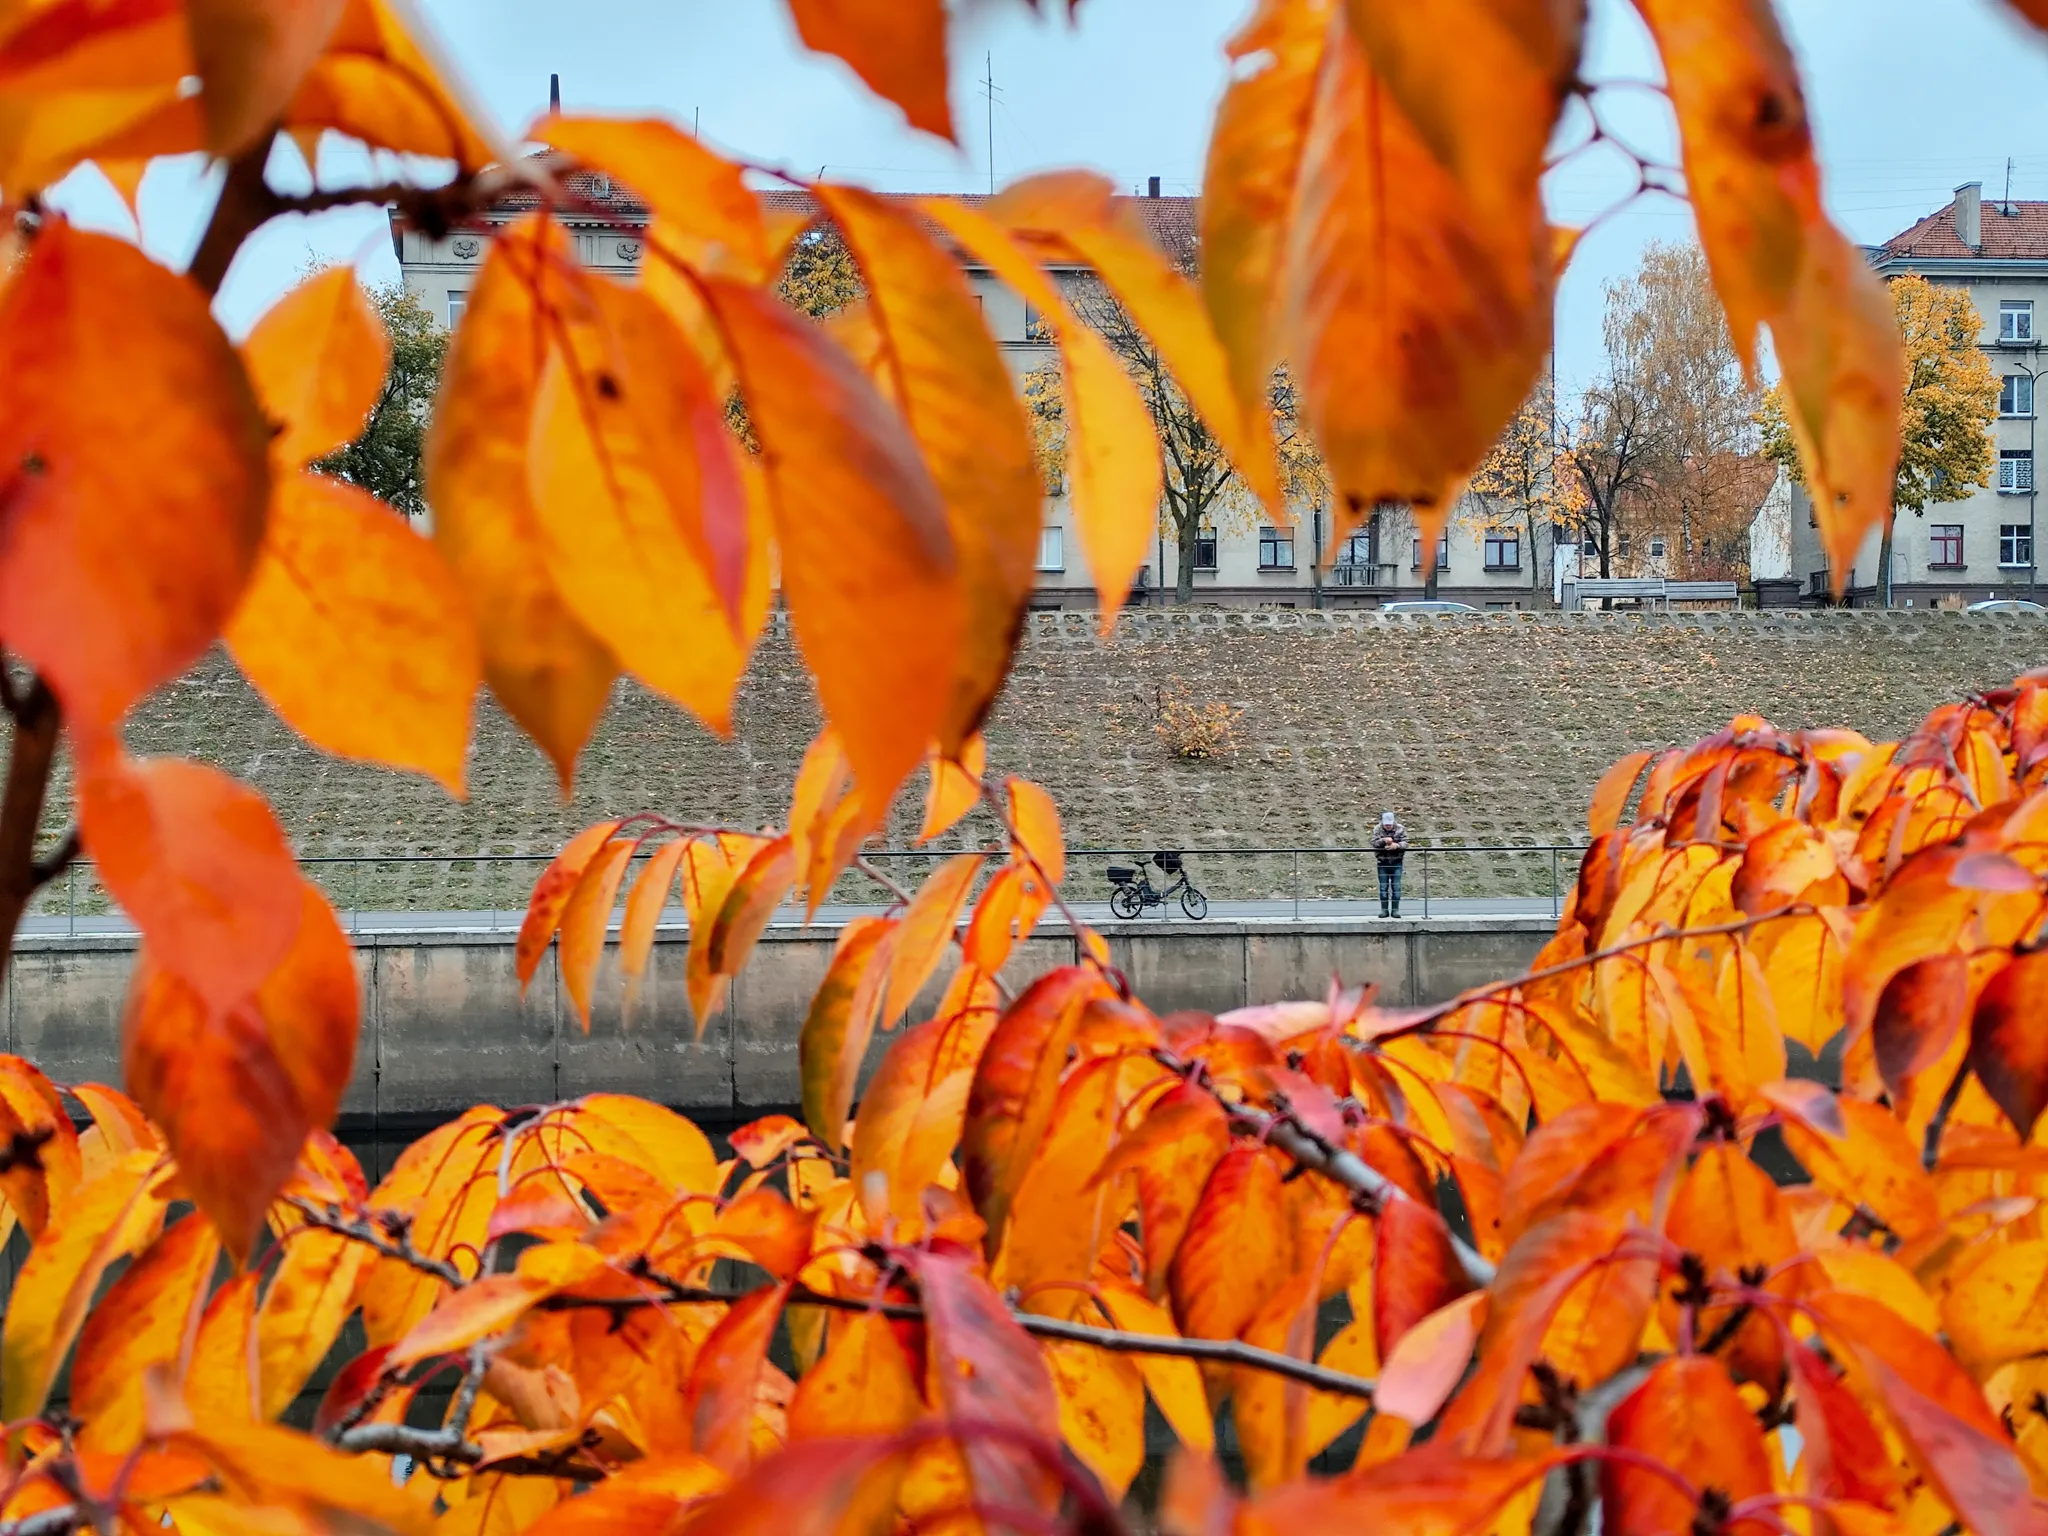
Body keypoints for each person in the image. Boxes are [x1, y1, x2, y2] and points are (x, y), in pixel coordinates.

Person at [1372, 810, 1408, 917]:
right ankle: (1384, 910)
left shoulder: (1400, 829)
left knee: (1396, 886)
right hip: (1382, 862)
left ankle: (1395, 910)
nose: (1388, 826)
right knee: (1383, 887)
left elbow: (1406, 842)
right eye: (1386, 825)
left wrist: (1397, 846)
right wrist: (1383, 841)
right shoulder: (1377, 829)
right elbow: (1374, 843)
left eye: (1390, 824)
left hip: (1397, 862)